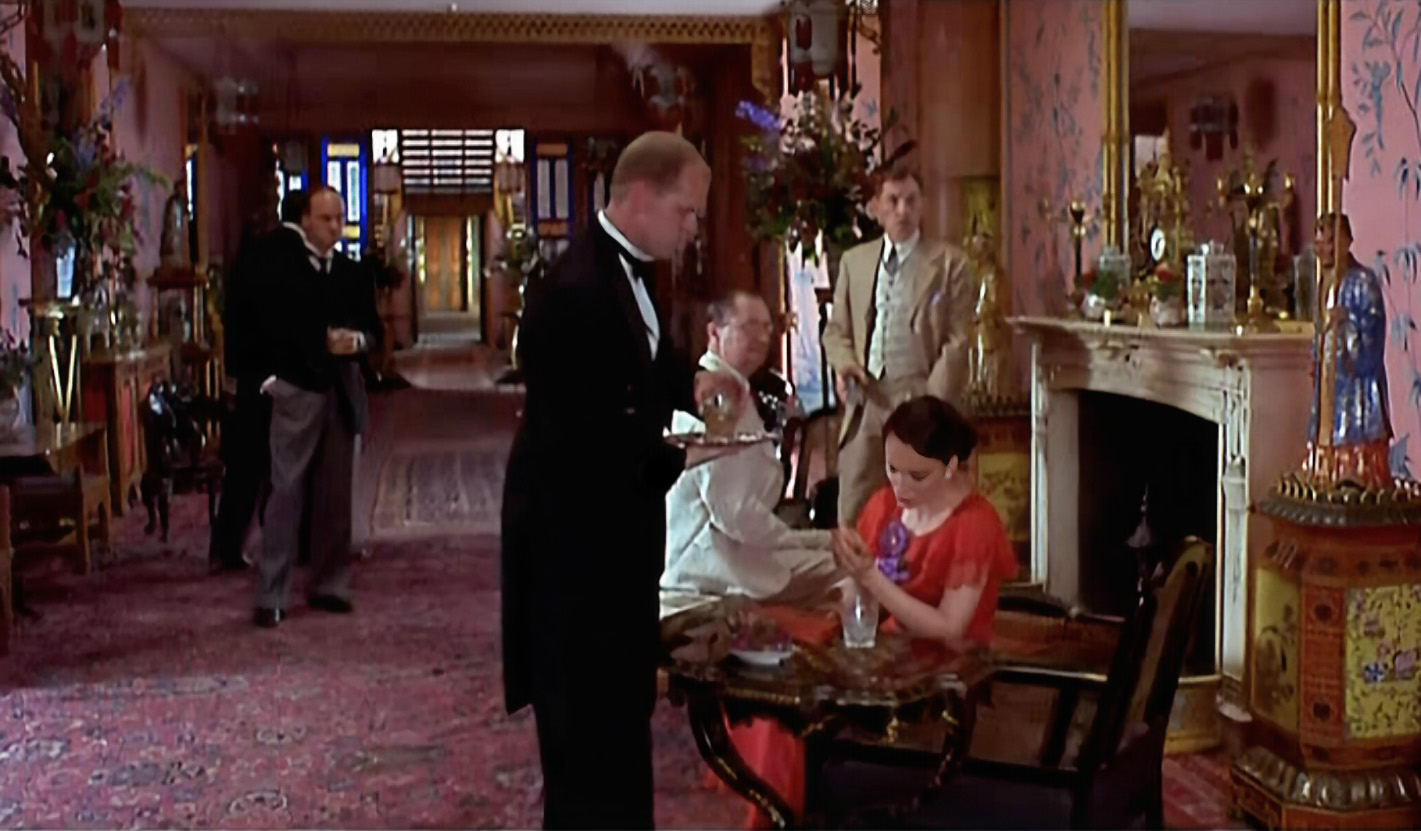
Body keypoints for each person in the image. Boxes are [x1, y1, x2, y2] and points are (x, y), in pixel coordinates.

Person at [500, 131, 743, 829]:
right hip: (573, 561)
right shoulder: (571, 292)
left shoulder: (629, 275)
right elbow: (581, 448)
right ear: (640, 197)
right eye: (686, 211)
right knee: (586, 751)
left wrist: (692, 386)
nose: (693, 229)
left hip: (613, 552)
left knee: (619, 740)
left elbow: (642, 367)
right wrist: (680, 459)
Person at [727, 396, 1018, 828]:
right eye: (892, 469)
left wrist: (871, 578)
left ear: (951, 467)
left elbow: (950, 629)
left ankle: (794, 805)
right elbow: (855, 594)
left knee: (804, 703)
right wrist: (838, 592)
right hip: (884, 651)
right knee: (774, 678)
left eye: (917, 475)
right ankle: (784, 804)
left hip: (944, 666)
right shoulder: (884, 505)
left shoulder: (974, 523)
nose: (900, 485)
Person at [660, 290, 842, 618]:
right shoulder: (710, 397)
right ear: (714, 332)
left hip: (736, 549)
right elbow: (734, 514)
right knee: (848, 573)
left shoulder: (737, 387)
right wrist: (816, 540)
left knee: (847, 565)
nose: (762, 338)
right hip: (708, 564)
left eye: (767, 328)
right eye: (749, 327)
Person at [251, 185, 381, 628]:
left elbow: (373, 330)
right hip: (296, 390)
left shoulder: (351, 272)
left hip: (341, 390)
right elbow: (263, 328)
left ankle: (329, 583)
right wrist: (271, 379)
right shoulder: (280, 269)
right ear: (305, 220)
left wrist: (357, 341)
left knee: (334, 495)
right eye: (326, 218)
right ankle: (272, 593)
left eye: (339, 218)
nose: (334, 226)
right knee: (285, 492)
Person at [821, 166, 974, 527]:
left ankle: (918, 564)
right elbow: (836, 330)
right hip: (867, 396)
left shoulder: (950, 263)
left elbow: (958, 339)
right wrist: (845, 364)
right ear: (876, 207)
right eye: (893, 201)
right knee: (856, 500)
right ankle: (858, 564)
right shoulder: (854, 262)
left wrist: (932, 405)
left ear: (923, 206)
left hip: (919, 392)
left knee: (922, 503)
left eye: (911, 201)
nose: (902, 211)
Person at [209, 189, 306, 573]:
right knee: (274, 465)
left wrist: (234, 375)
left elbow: (233, 320)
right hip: (275, 374)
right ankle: (285, 542)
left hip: (251, 372)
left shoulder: (249, 259)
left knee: (248, 467)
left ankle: (229, 543)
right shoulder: (288, 259)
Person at [1304, 212, 1392, 490]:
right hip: (1329, 387)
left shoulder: (1364, 282)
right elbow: (1320, 329)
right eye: (1319, 243)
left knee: (1356, 466)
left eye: (1330, 242)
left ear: (1346, 242)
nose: (1324, 250)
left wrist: (1347, 324)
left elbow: (1372, 339)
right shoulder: (1324, 283)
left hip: (1356, 390)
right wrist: (1317, 353)